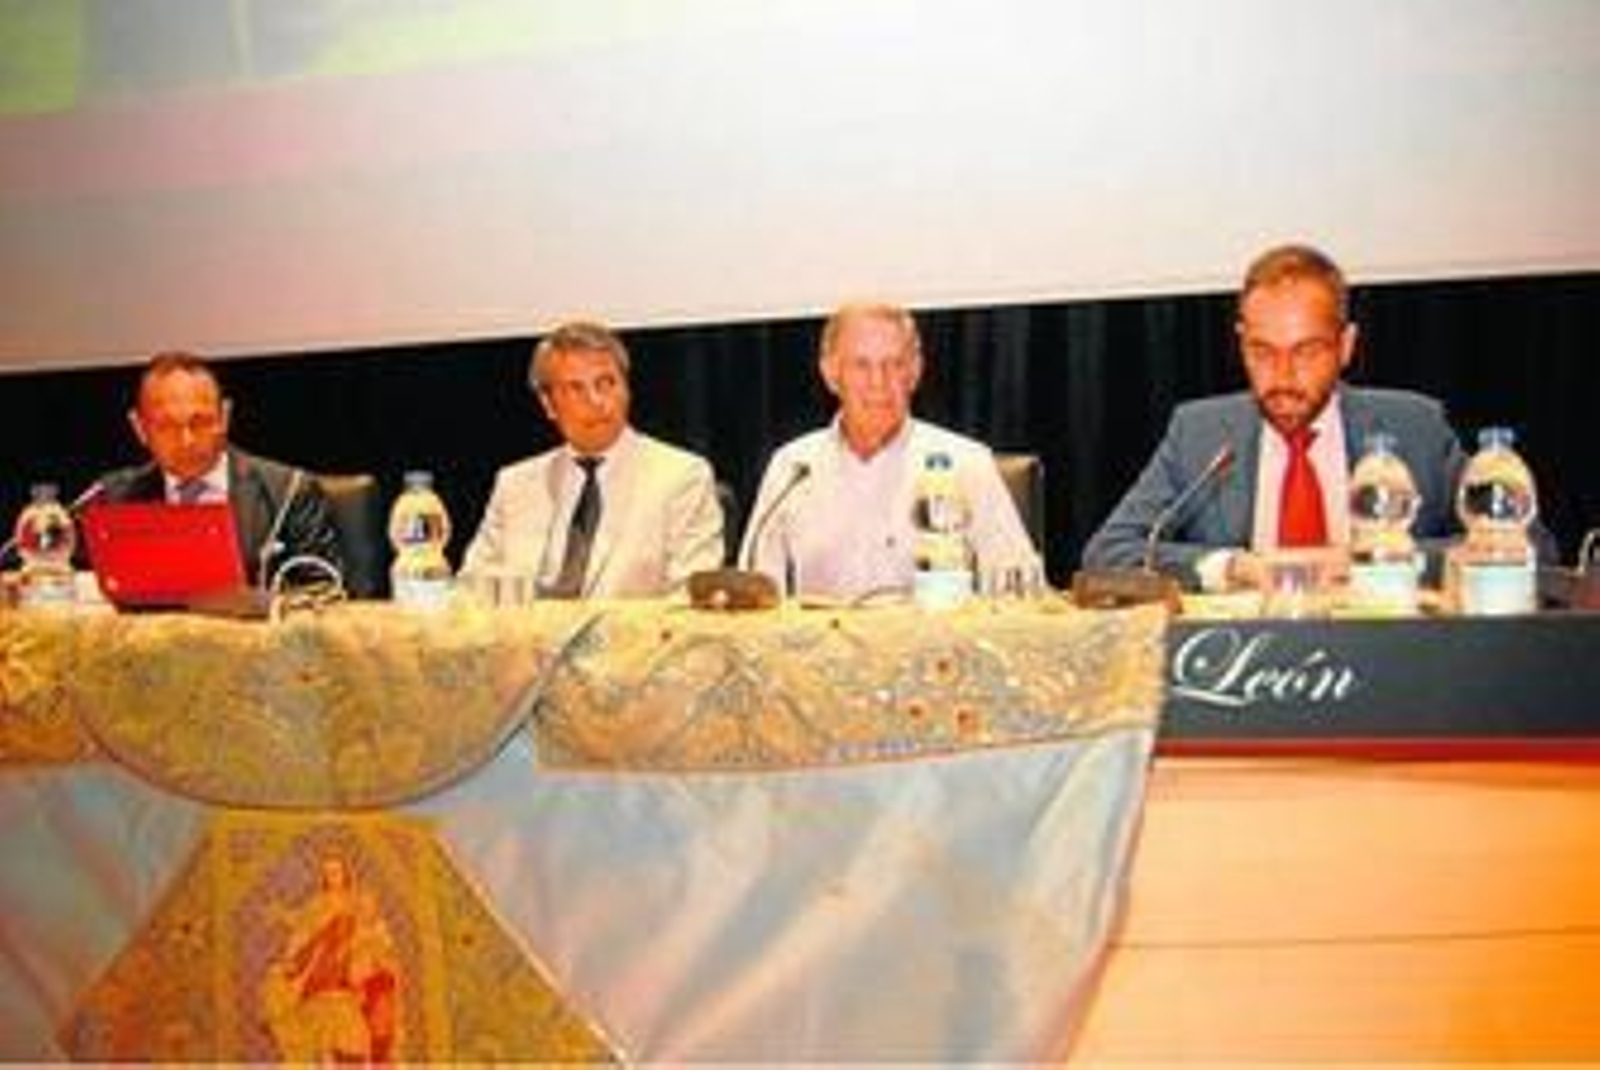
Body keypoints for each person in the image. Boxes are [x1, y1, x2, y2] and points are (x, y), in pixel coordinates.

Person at [1081, 242, 1553, 591]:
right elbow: (1108, 554)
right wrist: (1233, 567)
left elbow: (1528, 543)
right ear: (1241, 341)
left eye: (1307, 351)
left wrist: (1371, 561)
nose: (1283, 375)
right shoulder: (1200, 432)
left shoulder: (1414, 428)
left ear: (1345, 346)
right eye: (1262, 352)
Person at [740, 301, 1036, 600]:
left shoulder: (967, 463)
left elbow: (1019, 591)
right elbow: (753, 599)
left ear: (915, 372)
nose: (878, 382)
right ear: (831, 374)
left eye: (893, 364)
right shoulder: (792, 467)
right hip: (823, 645)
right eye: (861, 365)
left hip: (935, 645)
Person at [461, 320, 724, 597]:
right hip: (526, 637)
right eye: (576, 388)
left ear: (627, 388)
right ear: (548, 404)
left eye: (606, 383)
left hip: (633, 639)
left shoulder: (681, 477)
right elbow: (473, 587)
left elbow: (690, 597)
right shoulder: (515, 484)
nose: (597, 401)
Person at [98, 351, 344, 585]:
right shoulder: (114, 499)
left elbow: (323, 591)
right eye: (167, 426)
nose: (187, 440)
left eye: (200, 422)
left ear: (224, 417)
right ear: (139, 428)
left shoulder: (289, 493)